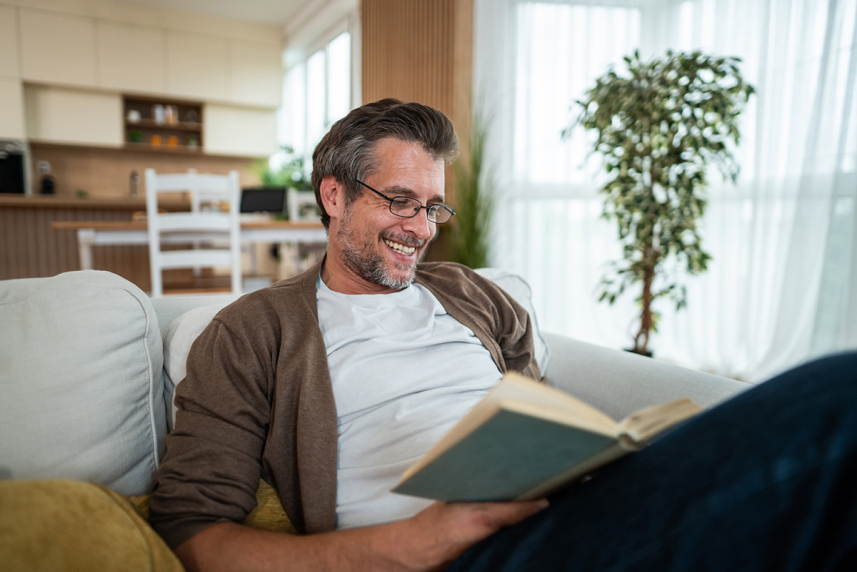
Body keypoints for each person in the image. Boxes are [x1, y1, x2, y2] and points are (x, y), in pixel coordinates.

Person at [150, 99, 857, 571]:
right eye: (399, 201)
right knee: (838, 397)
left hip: (564, 516)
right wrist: (413, 542)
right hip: (461, 555)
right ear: (333, 195)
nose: (421, 228)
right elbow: (195, 530)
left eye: (431, 205)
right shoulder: (252, 330)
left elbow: (538, 419)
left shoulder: (472, 294)